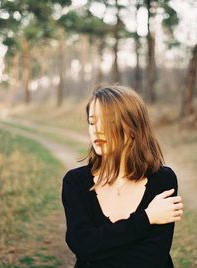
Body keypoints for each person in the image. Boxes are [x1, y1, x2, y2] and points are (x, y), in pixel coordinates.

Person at [61, 86, 183, 268]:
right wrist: (147, 218)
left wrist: (97, 253)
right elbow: (83, 245)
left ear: (134, 127)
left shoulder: (163, 180)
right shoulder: (76, 182)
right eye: (92, 122)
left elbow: (153, 258)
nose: (97, 130)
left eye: (109, 121)